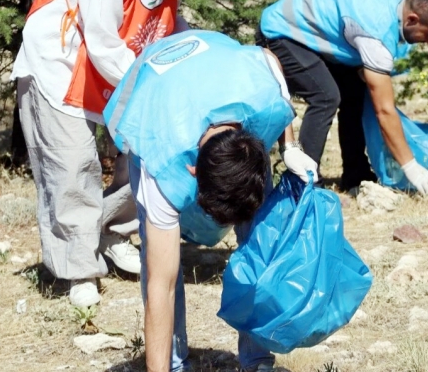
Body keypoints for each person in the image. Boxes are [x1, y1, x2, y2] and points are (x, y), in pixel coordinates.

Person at [11, 0, 211, 308]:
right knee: (72, 165)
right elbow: (101, 40)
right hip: (63, 61)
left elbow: (166, 14)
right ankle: (79, 269)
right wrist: (151, 88)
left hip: (121, 63)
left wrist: (192, 54)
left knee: (139, 152)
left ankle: (111, 232)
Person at [103, 30, 316, 372]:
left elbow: (270, 61)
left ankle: (257, 359)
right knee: (161, 261)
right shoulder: (160, 157)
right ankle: (170, 361)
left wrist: (290, 147)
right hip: (153, 84)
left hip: (218, 61)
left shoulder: (261, 96)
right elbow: (163, 284)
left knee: (260, 235)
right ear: (191, 171)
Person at [256, 0, 428, 196]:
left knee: (355, 94)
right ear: (412, 19)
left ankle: (356, 175)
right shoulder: (376, 31)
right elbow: (384, 110)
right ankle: (304, 183)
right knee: (326, 97)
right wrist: (411, 166)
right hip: (284, 31)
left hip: (315, 25)